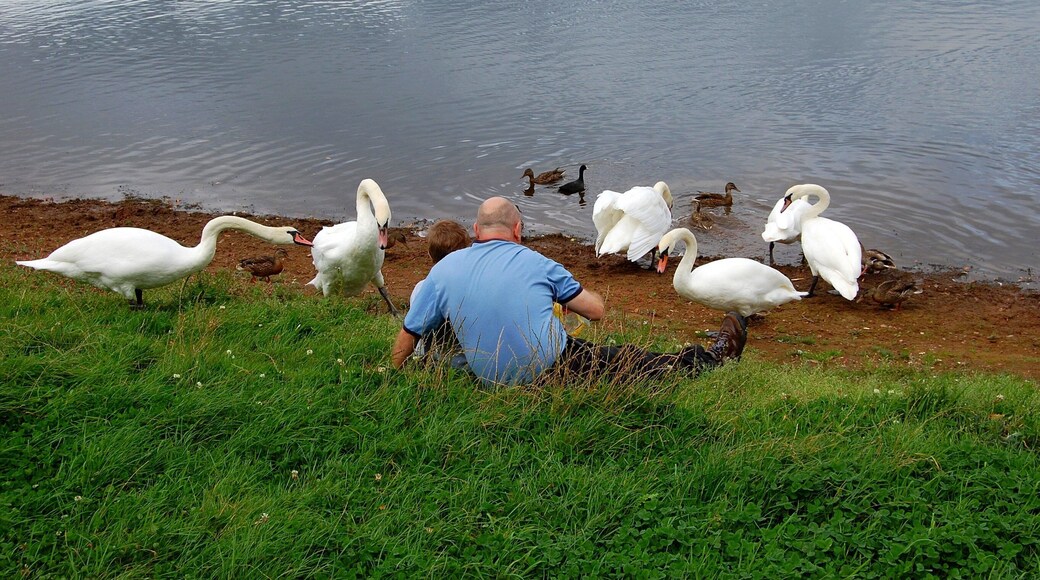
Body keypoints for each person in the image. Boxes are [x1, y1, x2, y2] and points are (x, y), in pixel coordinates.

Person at [391, 197, 747, 386]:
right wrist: (562, 296)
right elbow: (595, 311)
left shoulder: (443, 271)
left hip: (486, 376)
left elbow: (408, 335)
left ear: (475, 230)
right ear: (518, 229)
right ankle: (713, 359)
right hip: (548, 368)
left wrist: (393, 375)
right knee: (628, 359)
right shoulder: (539, 264)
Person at [409, 220, 471, 362]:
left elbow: (417, 329)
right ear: (467, 254)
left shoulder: (421, 289)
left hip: (435, 360)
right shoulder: (473, 288)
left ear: (430, 255)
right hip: (469, 363)